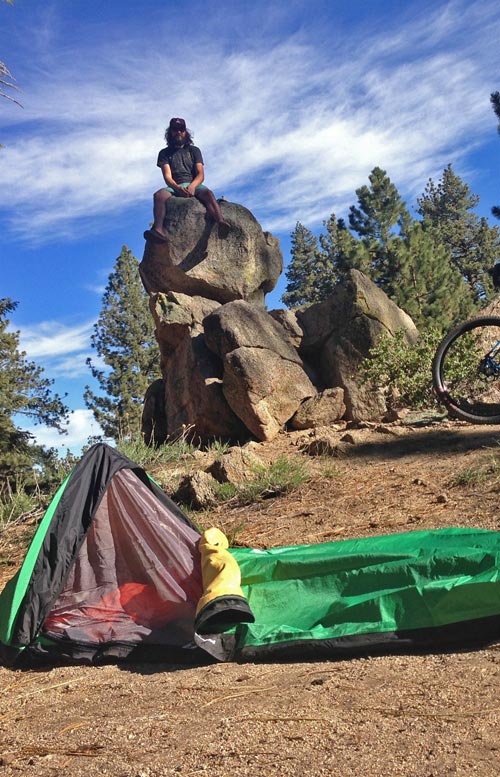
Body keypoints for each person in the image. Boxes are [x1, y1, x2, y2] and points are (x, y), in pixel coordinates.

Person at [144, 117, 230, 242]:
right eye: (175, 129)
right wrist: (177, 188)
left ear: (185, 131)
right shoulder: (164, 153)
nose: (178, 132)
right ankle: (158, 230)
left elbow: (200, 174)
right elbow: (167, 176)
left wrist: (193, 186)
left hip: (193, 183)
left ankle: (221, 222)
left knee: (208, 194)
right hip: (174, 186)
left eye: (181, 129)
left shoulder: (194, 150)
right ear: (170, 132)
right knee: (159, 196)